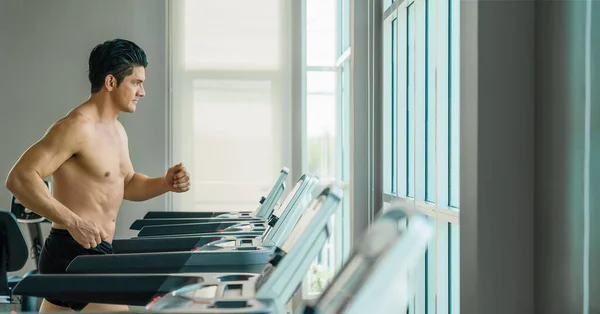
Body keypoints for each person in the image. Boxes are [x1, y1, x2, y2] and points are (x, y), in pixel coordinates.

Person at [4, 38, 191, 312]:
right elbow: (19, 178)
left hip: (82, 251)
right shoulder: (77, 126)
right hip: (79, 251)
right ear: (111, 82)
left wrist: (164, 183)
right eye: (136, 82)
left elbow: (126, 183)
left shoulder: (116, 130)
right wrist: (73, 222)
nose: (143, 92)